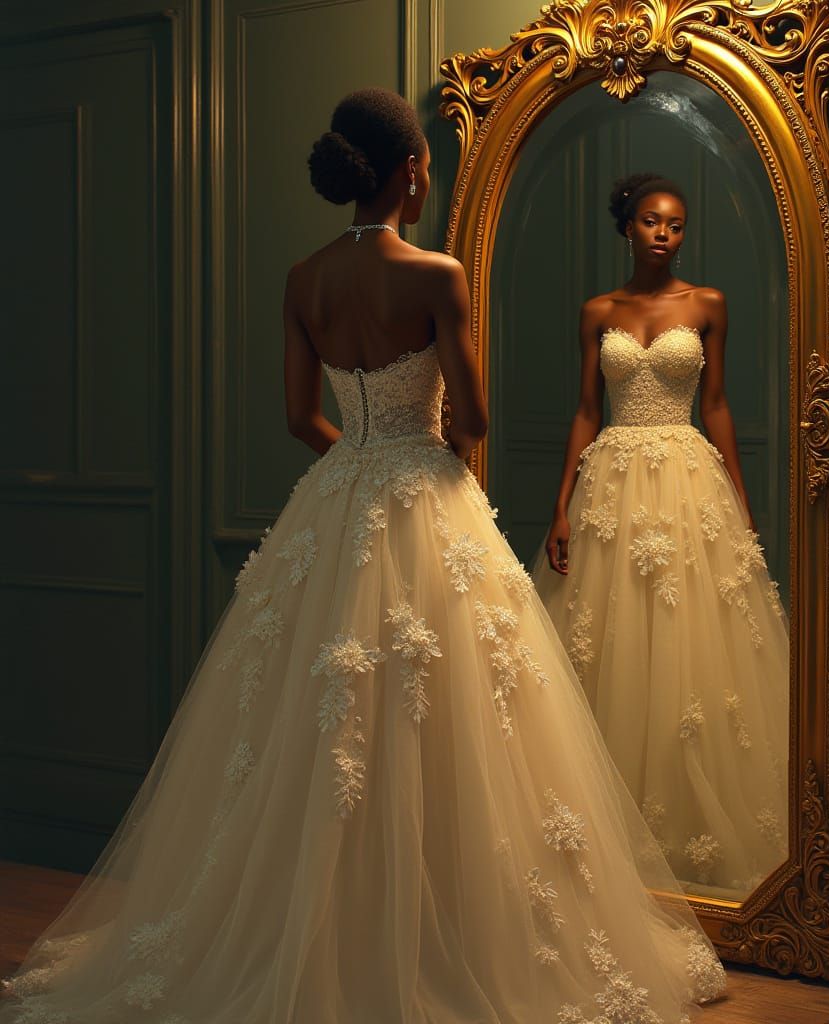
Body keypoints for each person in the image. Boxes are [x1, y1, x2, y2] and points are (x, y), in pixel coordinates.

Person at [1, 95, 724, 1024]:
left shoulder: (304, 277)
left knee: (317, 717)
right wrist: (418, 448)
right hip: (426, 494)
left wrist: (363, 454)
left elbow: (298, 416)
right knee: (457, 711)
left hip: (339, 494)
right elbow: (473, 419)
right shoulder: (435, 274)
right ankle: (439, 931)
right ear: (412, 170)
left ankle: (322, 931)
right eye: (424, 168)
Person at [533, 173, 790, 898]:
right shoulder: (598, 311)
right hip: (612, 481)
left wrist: (740, 495)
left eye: (676, 225)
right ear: (628, 227)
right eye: (651, 221)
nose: (664, 235)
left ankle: (687, 845)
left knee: (690, 643)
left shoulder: (707, 304)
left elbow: (717, 404)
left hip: (686, 479)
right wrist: (561, 505)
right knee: (610, 643)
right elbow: (587, 410)